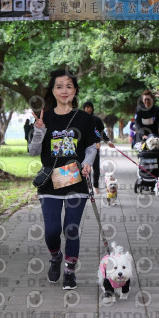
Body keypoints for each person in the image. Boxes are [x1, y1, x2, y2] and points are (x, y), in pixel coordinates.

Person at [28, 69, 99, 290]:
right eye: (59, 86)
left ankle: (69, 271)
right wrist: (39, 132)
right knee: (52, 231)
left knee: (71, 229)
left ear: (75, 90)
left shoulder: (85, 119)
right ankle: (56, 256)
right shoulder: (44, 118)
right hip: (50, 182)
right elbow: (33, 151)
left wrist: (87, 162)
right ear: (53, 91)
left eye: (68, 86)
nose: (64, 91)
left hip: (75, 180)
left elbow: (91, 147)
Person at [82, 101, 110, 195]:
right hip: (83, 148)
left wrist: (108, 141)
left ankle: (96, 186)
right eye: (87, 107)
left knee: (96, 169)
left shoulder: (96, 120)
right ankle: (87, 186)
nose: (89, 109)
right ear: (84, 108)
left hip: (95, 146)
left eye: (91, 107)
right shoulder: (80, 119)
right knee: (86, 168)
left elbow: (102, 132)